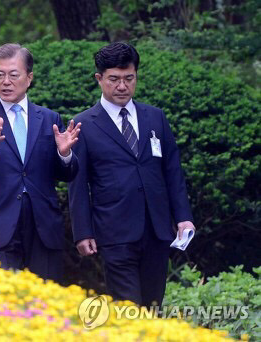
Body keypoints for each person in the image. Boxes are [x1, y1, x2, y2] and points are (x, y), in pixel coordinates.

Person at [68, 42, 195, 307]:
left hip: (157, 229)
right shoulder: (84, 124)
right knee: (129, 309)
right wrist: (82, 231)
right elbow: (77, 184)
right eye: (114, 79)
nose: (122, 86)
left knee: (152, 306)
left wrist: (183, 217)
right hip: (114, 231)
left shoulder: (155, 117)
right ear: (99, 78)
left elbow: (172, 171)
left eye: (129, 78)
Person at [0, 43, 81, 282]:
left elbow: (69, 173)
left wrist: (64, 154)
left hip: (43, 224)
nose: (5, 81)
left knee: (45, 301)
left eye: (13, 75)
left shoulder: (49, 119)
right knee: (0, 303)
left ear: (29, 78)